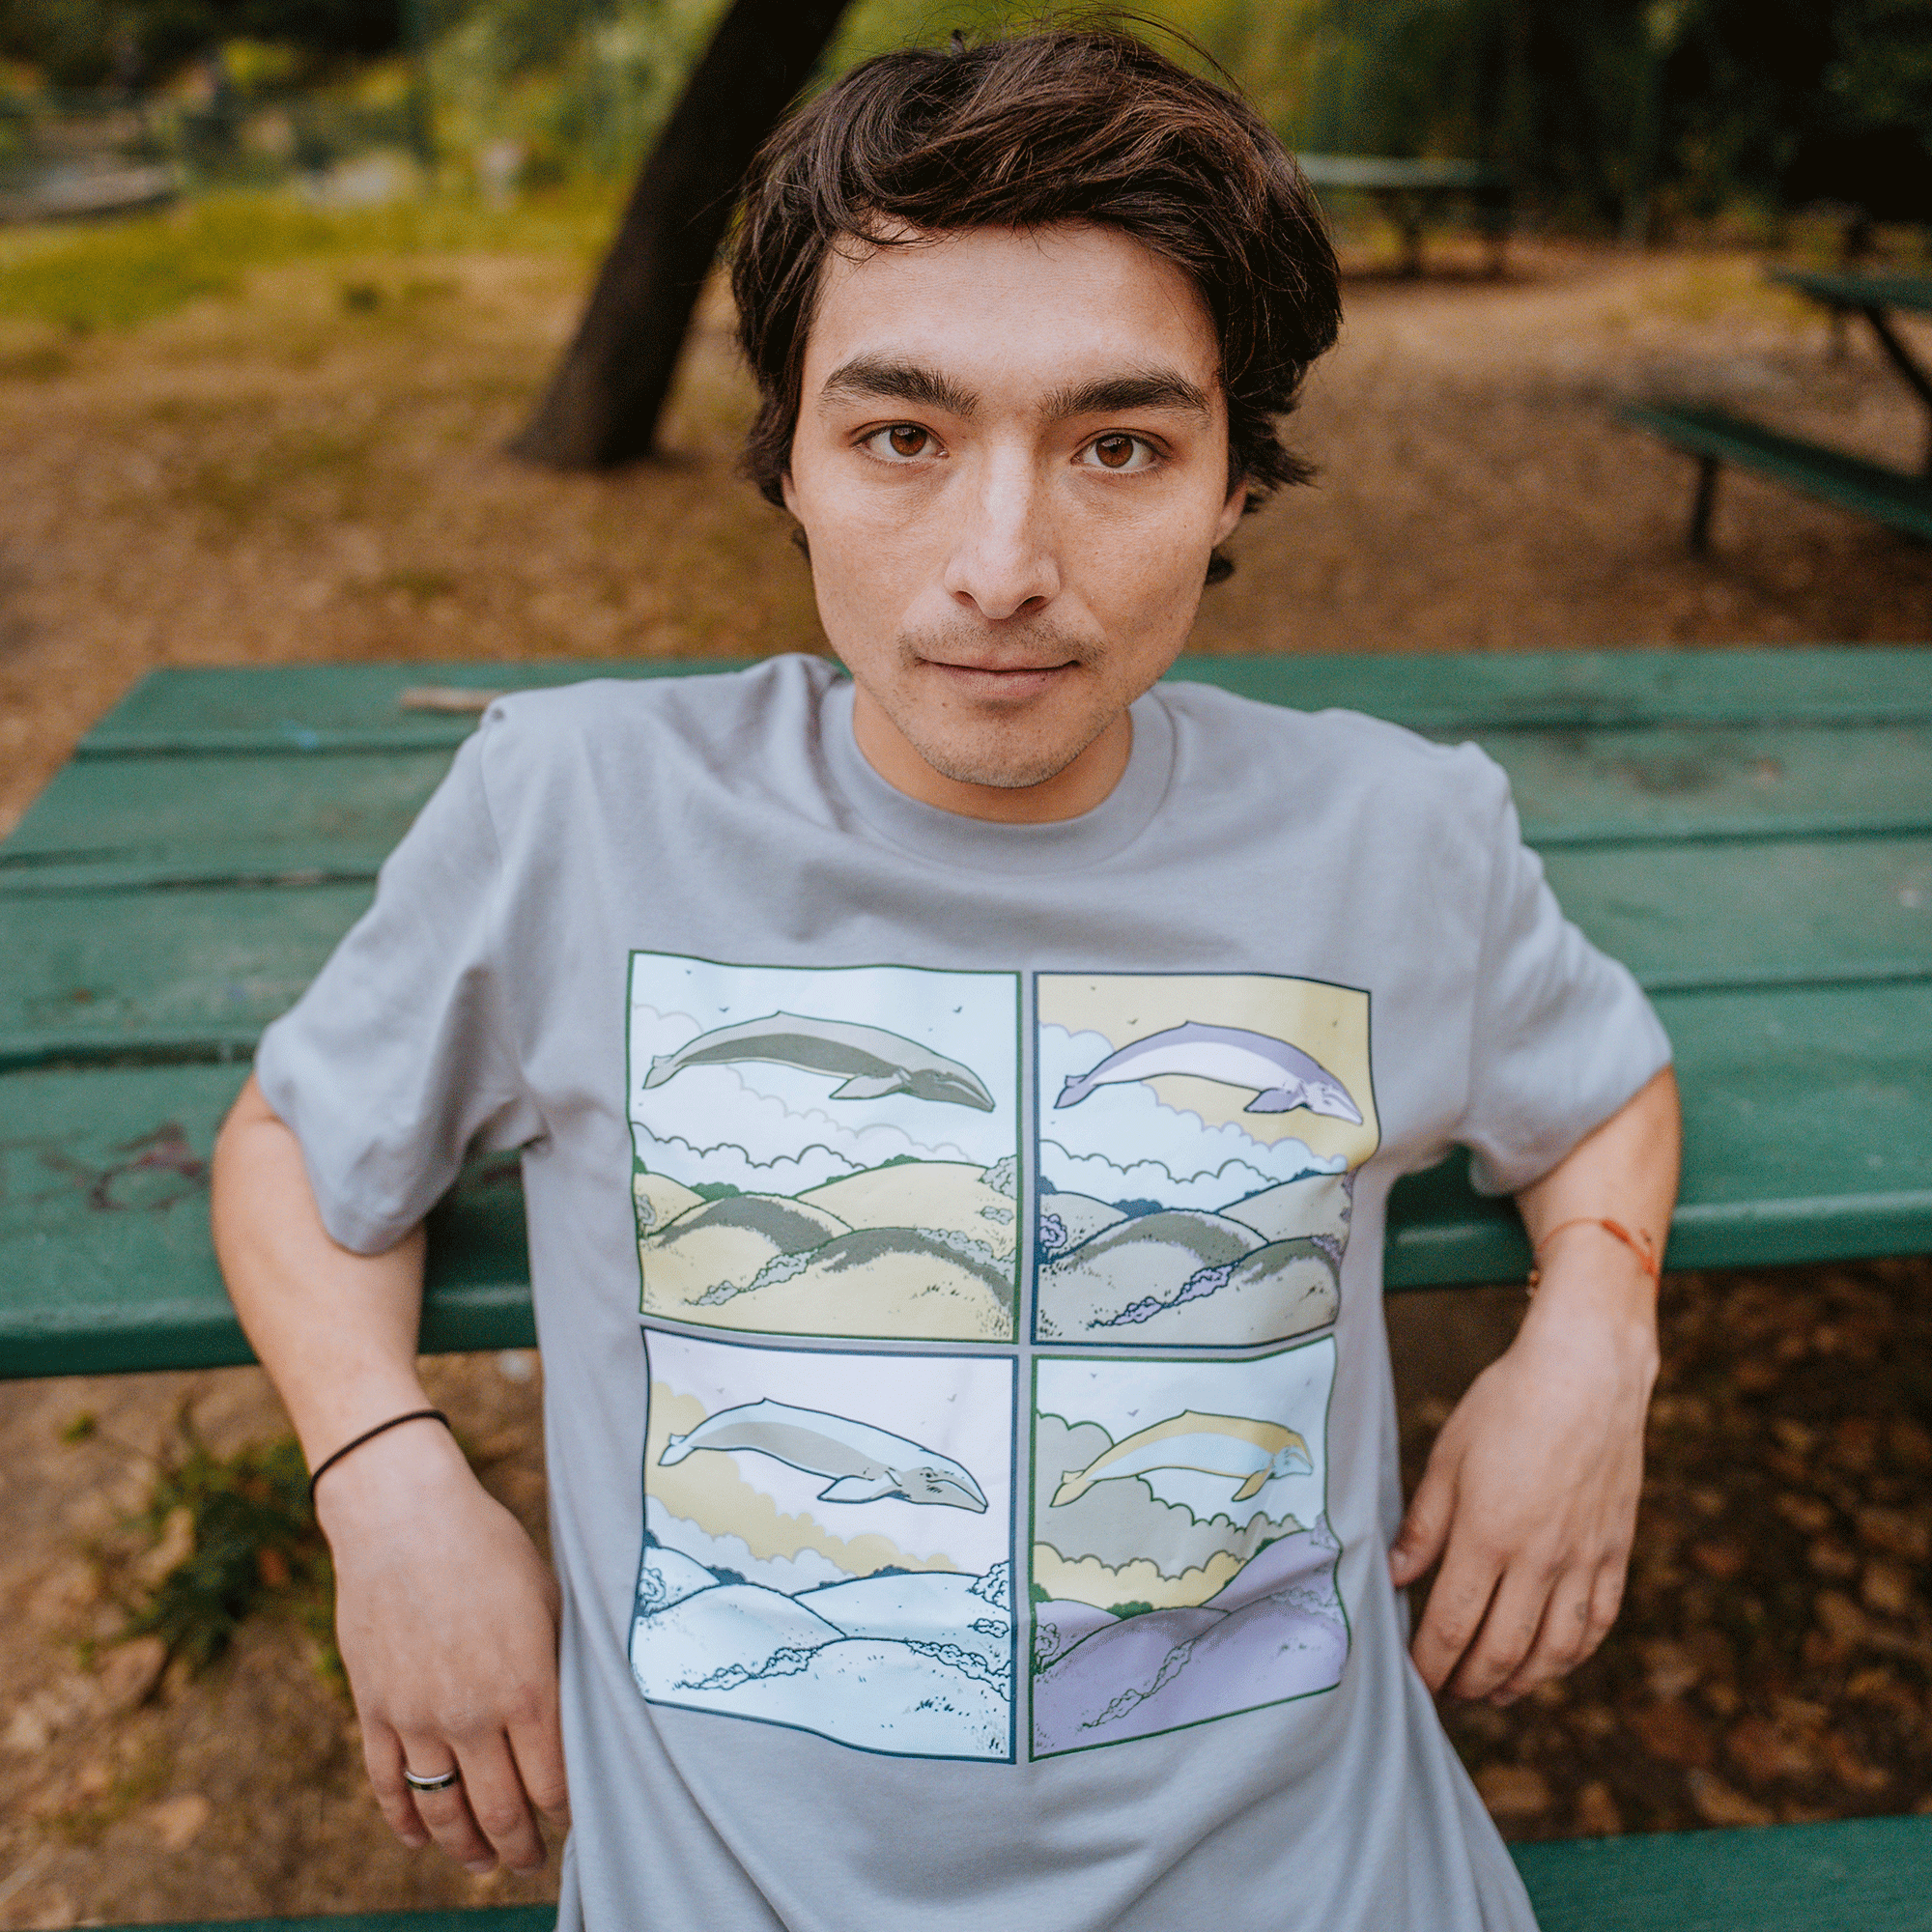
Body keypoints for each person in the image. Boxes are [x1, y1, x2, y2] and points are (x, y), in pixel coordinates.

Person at [211, 25, 1679, 1932]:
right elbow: (293, 1145)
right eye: (901, 435)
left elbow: (1602, 1092)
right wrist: (385, 1476)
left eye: (1120, 445)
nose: (1000, 563)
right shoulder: (574, 806)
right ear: (791, 460)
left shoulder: (1399, 833)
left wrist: (1594, 1337)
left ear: (1236, 484)